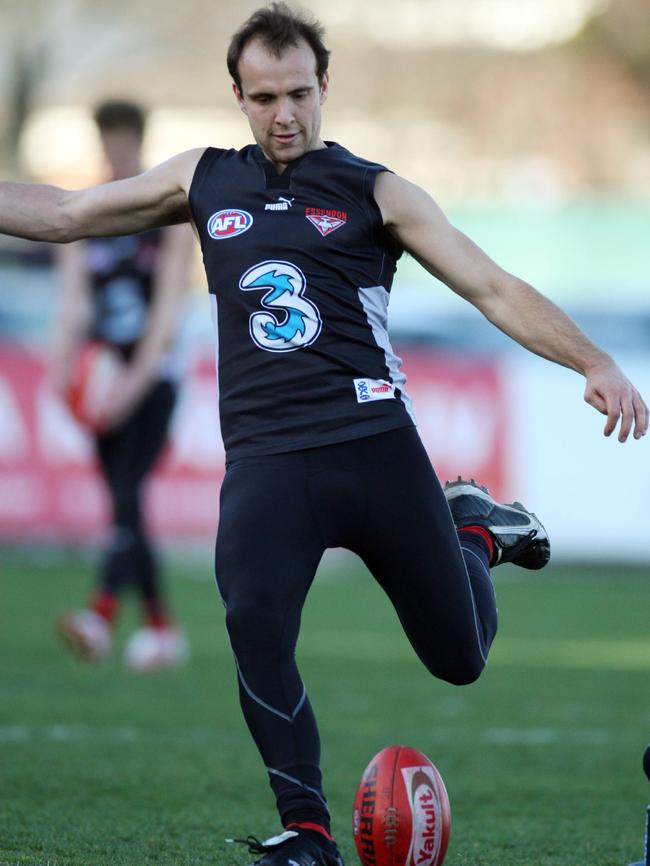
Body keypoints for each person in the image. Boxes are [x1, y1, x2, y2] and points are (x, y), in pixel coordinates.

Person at [0, 3, 647, 862]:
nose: (285, 115)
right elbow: (61, 214)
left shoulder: (377, 190)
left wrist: (592, 361)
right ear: (237, 94)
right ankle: (306, 831)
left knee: (460, 658)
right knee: (252, 621)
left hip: (374, 447)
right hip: (267, 457)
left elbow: (491, 286)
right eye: (265, 97)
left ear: (324, 85)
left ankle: (476, 535)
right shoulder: (202, 178)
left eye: (300, 93)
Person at [51, 100, 196, 672]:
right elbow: (72, 304)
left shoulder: (167, 213)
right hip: (101, 381)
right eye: (105, 142)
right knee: (123, 504)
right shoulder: (85, 212)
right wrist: (64, 371)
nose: (114, 153)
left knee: (128, 494)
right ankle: (159, 627)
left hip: (151, 383)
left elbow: (165, 317)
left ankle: (101, 612)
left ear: (138, 140)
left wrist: (127, 392)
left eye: (122, 142)